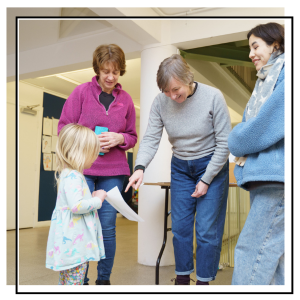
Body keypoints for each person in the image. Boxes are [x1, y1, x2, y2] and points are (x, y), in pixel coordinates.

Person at [125, 54, 231, 285]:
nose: (172, 96)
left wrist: (206, 179)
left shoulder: (213, 97)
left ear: (188, 77)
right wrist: (140, 167)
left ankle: (203, 282)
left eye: (176, 89)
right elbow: (151, 138)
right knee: (181, 228)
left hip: (212, 164)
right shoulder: (161, 102)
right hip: (181, 167)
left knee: (206, 231)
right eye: (166, 91)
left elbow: (225, 143)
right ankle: (182, 279)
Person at [57, 44, 137, 285]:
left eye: (115, 71)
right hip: (83, 171)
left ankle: (103, 281)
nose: (111, 77)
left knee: (107, 228)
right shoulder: (80, 93)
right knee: (79, 226)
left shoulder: (126, 100)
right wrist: (90, 141)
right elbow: (64, 128)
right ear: (97, 70)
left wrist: (120, 138)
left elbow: (133, 135)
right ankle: (80, 280)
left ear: (121, 71)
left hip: (113, 172)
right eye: (105, 71)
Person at [228, 22, 285, 285]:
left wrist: (235, 138)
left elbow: (261, 127)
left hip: (279, 179)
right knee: (275, 258)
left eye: (255, 46)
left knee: (252, 252)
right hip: (270, 178)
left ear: (275, 44)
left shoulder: (288, 73)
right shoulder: (269, 77)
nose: (251, 54)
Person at [46, 124, 107, 285]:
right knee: (74, 284)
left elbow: (74, 201)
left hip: (69, 245)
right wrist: (98, 200)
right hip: (75, 246)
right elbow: (76, 206)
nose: (95, 157)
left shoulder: (67, 174)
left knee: (66, 283)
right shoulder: (74, 176)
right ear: (80, 152)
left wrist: (90, 198)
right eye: (93, 153)